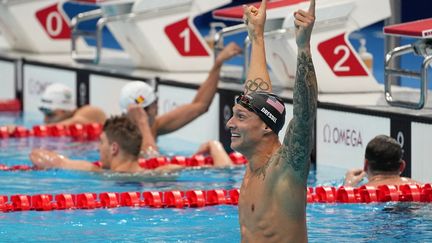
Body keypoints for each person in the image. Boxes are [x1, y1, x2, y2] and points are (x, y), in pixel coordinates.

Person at [225, 0, 317, 242]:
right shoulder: (253, 161)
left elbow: (305, 114)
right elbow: (258, 97)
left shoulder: (286, 170)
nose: (229, 124)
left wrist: (303, 47)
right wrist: (256, 35)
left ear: (266, 127)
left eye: (239, 117)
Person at [119, 42, 242, 158]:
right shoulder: (125, 137)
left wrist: (218, 64)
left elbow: (200, 106)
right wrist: (143, 124)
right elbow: (152, 163)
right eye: (155, 103)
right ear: (151, 108)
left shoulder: (153, 126)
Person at [30, 116, 233, 173]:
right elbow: (224, 169)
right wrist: (215, 146)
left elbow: (41, 157)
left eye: (101, 143)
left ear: (114, 148)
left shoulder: (95, 171)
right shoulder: (160, 173)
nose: (97, 148)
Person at [344, 135, 421, 187]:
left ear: (366, 165)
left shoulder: (359, 193)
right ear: (402, 166)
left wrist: (347, 186)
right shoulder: (422, 188)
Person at [39, 83, 106, 125]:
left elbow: (77, 121)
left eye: (50, 115)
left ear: (65, 110)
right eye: (44, 114)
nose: (45, 120)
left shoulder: (88, 111)